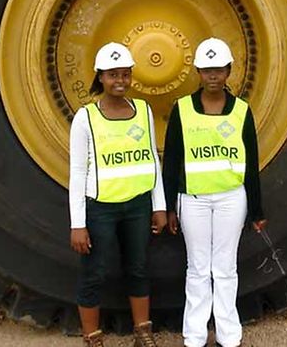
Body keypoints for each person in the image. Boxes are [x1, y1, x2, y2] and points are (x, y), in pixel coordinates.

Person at [162, 37, 267, 347]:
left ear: (228, 71)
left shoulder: (241, 111)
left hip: (231, 199)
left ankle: (228, 335)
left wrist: (257, 211)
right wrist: (170, 207)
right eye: (206, 70)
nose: (212, 76)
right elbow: (172, 162)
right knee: (197, 268)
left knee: (224, 268)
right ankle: (194, 336)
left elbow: (251, 163)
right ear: (197, 71)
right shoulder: (182, 110)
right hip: (192, 200)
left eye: (218, 70)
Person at [69, 42, 167, 347]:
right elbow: (77, 172)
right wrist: (78, 223)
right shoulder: (86, 117)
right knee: (94, 272)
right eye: (113, 75)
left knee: (138, 267)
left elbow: (152, 158)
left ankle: (143, 332)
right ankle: (92, 336)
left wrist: (159, 205)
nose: (120, 81)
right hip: (101, 208)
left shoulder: (143, 111)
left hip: (137, 204)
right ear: (100, 77)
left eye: (125, 74)